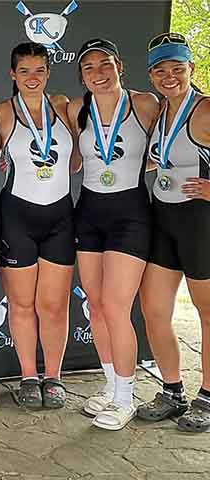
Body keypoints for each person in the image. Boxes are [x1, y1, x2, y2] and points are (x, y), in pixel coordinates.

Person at [68, 38, 159, 430]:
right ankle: (110, 384)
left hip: (130, 214)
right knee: (97, 304)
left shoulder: (145, 104)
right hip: (88, 212)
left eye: (104, 64)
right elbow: (71, 156)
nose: (98, 73)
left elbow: (176, 139)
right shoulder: (76, 108)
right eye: (89, 68)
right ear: (82, 76)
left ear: (119, 65)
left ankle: (126, 397)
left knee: (117, 306)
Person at [0, 42, 77, 410]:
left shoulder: (64, 107)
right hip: (17, 216)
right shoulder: (1, 112)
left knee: (55, 305)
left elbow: (82, 155)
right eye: (24, 71)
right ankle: (29, 375)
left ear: (48, 72)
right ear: (12, 74)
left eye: (39, 70)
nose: (32, 78)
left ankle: (54, 377)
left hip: (59, 216)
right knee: (22, 303)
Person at [137, 32, 210, 433]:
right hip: (163, 218)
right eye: (161, 70)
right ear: (151, 75)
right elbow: (154, 161)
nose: (169, 77)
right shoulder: (160, 113)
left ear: (191, 69)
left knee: (208, 313)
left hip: (201, 222)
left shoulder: (204, 110)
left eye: (177, 69)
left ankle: (209, 398)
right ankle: (172, 390)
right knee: (154, 309)